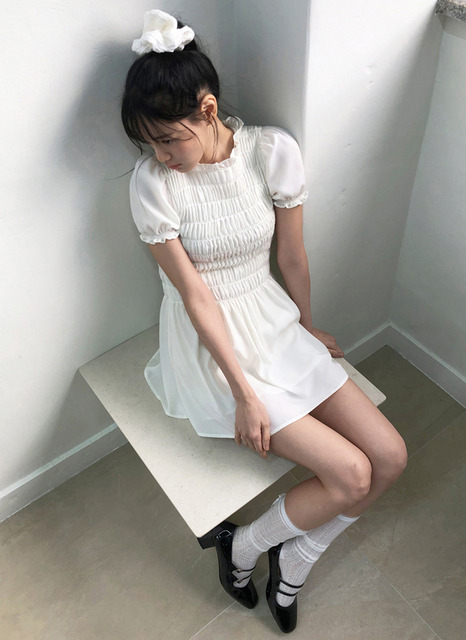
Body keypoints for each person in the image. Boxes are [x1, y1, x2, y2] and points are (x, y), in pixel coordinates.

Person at [122, 10, 407, 633]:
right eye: (150, 143)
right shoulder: (152, 184)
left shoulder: (271, 152)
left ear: (208, 109)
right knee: (351, 474)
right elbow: (195, 297)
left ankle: (285, 555)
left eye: (168, 139)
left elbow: (292, 256)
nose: (161, 155)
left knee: (389, 457)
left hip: (271, 318)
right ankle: (245, 549)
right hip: (212, 347)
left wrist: (306, 325)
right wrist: (244, 396)